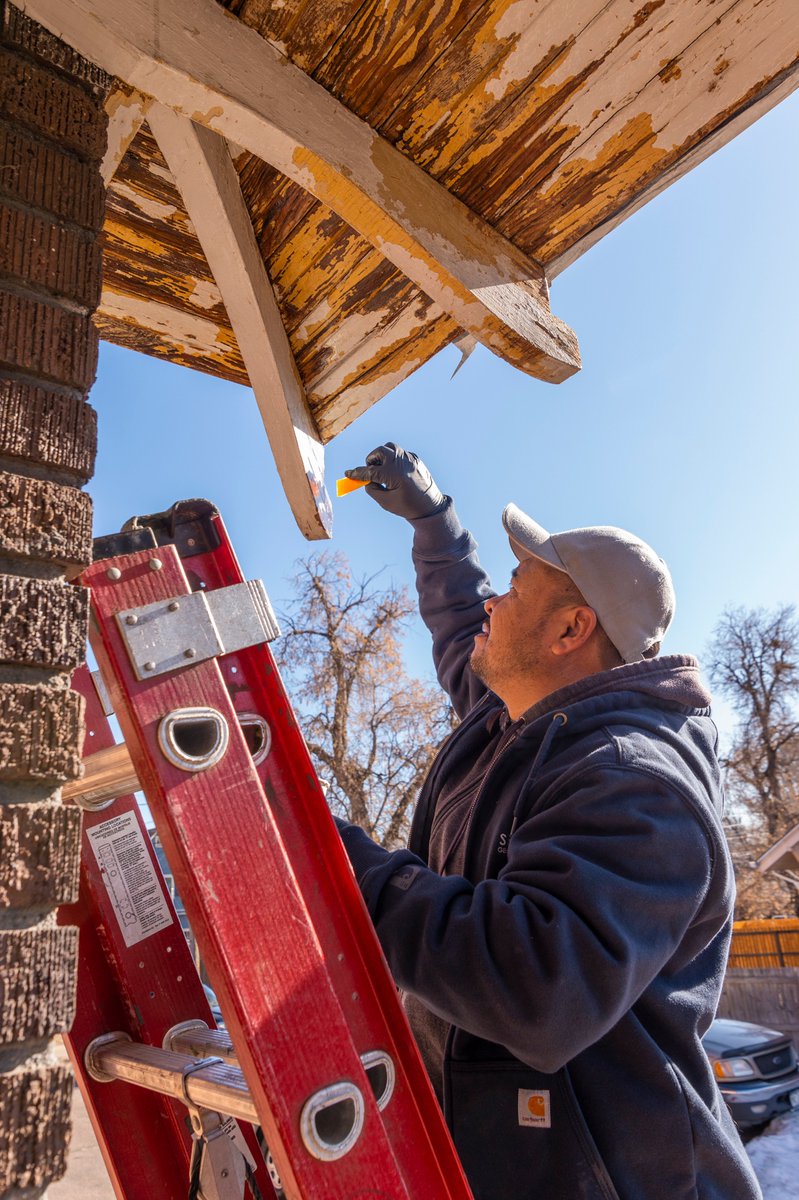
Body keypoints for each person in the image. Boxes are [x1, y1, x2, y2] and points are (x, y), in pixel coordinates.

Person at [333, 443, 761, 1200]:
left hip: (613, 1178)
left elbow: (532, 985)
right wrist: (434, 522)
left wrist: (335, 863)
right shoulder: (517, 727)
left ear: (569, 631)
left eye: (517, 587)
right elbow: (463, 615)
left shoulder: (633, 786)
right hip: (509, 1159)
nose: (493, 601)